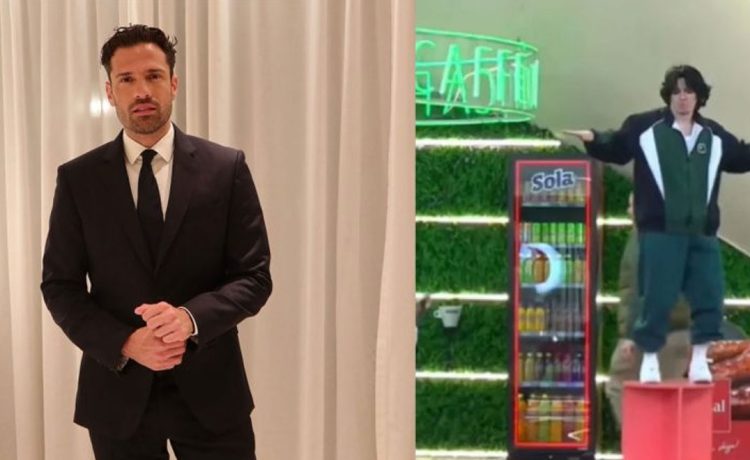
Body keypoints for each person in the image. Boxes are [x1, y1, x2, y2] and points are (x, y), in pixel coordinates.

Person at [41, 25, 272, 459]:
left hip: (212, 393)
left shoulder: (226, 169)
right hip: (117, 394)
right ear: (110, 92)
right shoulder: (78, 180)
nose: (142, 91)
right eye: (127, 79)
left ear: (174, 83)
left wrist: (189, 318)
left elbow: (254, 276)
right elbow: (59, 286)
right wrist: (126, 343)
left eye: (153, 76)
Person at [565, 65, 750, 382]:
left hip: (702, 231)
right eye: (676, 92)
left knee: (709, 296)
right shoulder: (644, 127)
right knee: (656, 297)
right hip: (661, 232)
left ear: (699, 96)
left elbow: (741, 157)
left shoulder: (713, 135)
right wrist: (594, 139)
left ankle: (700, 361)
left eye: (689, 91)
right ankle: (648, 360)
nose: (683, 98)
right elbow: (618, 147)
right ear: (668, 96)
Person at [605, 193, 692, 424]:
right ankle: (661, 442)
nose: (628, 211)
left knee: (619, 386)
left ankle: (639, 441)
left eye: (632, 205)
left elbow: (639, 289)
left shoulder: (645, 238)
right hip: (681, 333)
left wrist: (631, 335)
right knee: (665, 398)